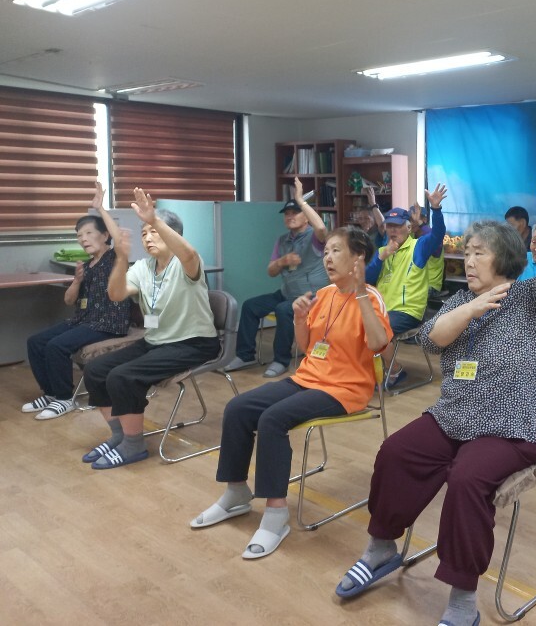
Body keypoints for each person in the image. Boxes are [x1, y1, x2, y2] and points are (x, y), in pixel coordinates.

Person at [335, 162, 536, 626]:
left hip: (512, 425)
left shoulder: (531, 300)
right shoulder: (458, 301)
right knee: (396, 452)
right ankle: (381, 548)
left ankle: (462, 598)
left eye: (479, 253)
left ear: (504, 258)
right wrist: (471, 309)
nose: (468, 261)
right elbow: (432, 339)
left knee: (467, 479)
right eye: (467, 252)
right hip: (454, 417)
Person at [191, 226, 392, 559]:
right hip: (308, 378)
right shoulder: (324, 294)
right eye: (326, 251)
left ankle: (275, 514)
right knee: (238, 408)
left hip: (345, 389)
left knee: (272, 420)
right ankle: (236, 492)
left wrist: (359, 293)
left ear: (358, 258)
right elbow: (307, 347)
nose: (328, 258)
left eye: (337, 251)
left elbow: (379, 345)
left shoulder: (371, 298)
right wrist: (300, 318)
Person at [80, 188, 220, 470]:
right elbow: (116, 294)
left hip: (193, 342)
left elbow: (189, 253)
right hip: (155, 341)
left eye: (154, 232)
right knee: (95, 370)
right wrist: (121, 258)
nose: (147, 237)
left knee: (123, 377)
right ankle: (120, 435)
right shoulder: (143, 267)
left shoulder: (186, 263)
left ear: (172, 234)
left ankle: (134, 446)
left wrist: (153, 219)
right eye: (144, 233)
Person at [23, 183, 130, 420]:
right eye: (80, 235)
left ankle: (64, 398)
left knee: (56, 346)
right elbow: (69, 300)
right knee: (35, 342)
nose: (83, 239)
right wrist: (77, 281)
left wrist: (100, 208)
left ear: (105, 236)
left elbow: (120, 240)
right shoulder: (87, 266)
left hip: (108, 323)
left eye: (89, 233)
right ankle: (50, 393)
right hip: (83, 320)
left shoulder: (114, 258)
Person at [224, 177, 330, 377]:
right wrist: (282, 261)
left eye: (295, 213)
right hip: (286, 294)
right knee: (250, 306)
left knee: (283, 310)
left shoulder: (315, 238)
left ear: (306, 216)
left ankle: (281, 360)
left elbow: (322, 229)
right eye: (287, 214)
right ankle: (245, 355)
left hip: (312, 297)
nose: (290, 217)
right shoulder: (282, 240)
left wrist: (301, 201)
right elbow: (271, 271)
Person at [365, 184, 447, 387]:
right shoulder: (382, 251)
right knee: (356, 323)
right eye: (389, 226)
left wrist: (436, 209)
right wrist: (381, 257)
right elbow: (366, 278)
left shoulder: (418, 247)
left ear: (409, 228)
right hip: (383, 309)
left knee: (377, 330)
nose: (393, 230)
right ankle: (364, 370)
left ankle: (395, 369)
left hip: (407, 311)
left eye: (397, 226)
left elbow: (438, 234)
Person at [409, 203, 445, 294]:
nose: (411, 223)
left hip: (430, 286)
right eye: (410, 219)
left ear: (424, 219)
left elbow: (435, 235)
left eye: (414, 219)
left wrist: (420, 223)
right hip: (414, 283)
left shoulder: (434, 238)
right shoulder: (411, 236)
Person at [353, 186, 388, 250]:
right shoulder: (359, 233)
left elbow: (382, 225)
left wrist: (373, 204)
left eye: (367, 218)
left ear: (374, 219)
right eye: (360, 218)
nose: (363, 221)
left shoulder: (379, 233)